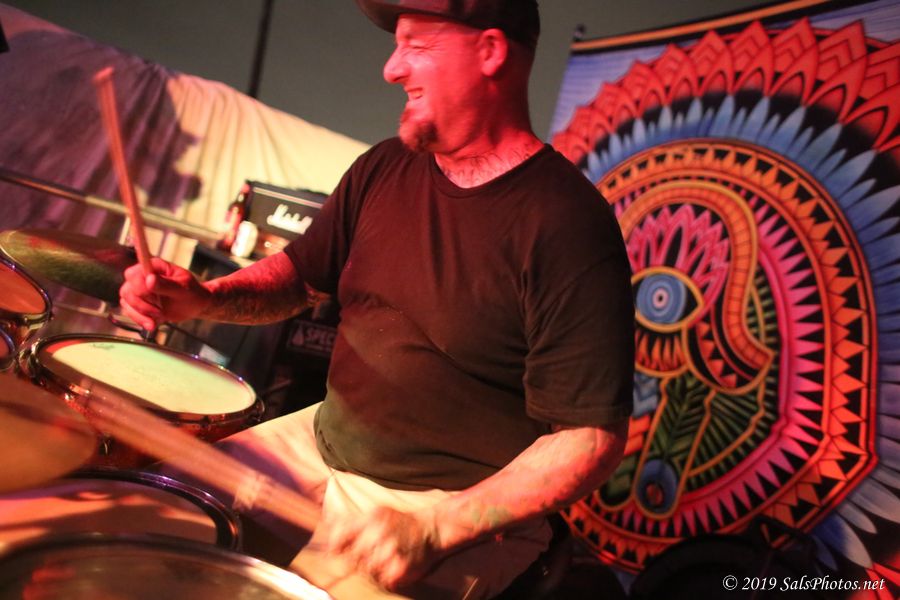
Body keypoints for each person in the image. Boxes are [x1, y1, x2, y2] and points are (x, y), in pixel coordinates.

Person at [119, 1, 634, 597]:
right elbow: (300, 277)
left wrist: (440, 526)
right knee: (135, 528)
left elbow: (589, 439)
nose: (392, 68)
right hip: (318, 441)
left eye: (417, 44)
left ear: (490, 51)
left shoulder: (566, 224)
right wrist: (203, 298)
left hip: (445, 504)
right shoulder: (384, 168)